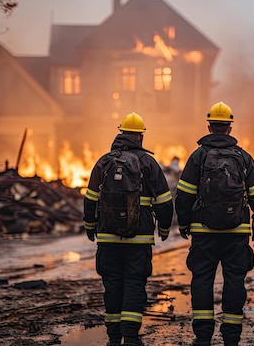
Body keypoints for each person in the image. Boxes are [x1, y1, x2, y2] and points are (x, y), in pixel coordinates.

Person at [175, 101, 254, 346]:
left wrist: (184, 223)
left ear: (209, 127)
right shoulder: (243, 157)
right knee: (235, 282)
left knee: (202, 281)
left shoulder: (198, 156)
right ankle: (231, 338)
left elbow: (184, 194)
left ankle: (203, 337)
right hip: (237, 232)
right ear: (229, 127)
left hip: (204, 233)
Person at [83, 112, 174, 346]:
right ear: (141, 137)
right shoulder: (148, 163)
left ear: (120, 133)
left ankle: (114, 338)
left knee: (112, 283)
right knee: (135, 283)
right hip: (139, 237)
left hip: (108, 236)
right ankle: (131, 338)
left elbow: (91, 197)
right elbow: (164, 201)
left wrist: (90, 225)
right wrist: (163, 228)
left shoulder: (104, 162)